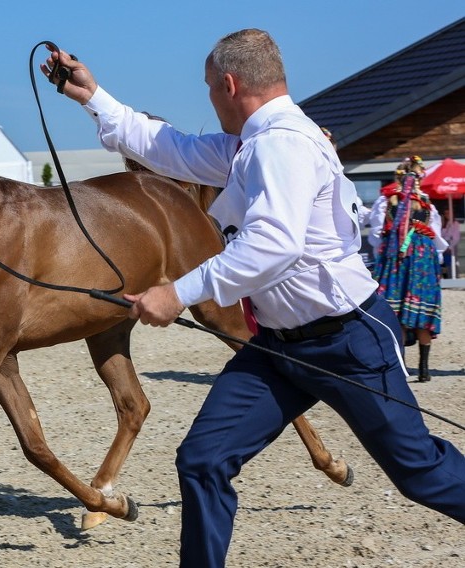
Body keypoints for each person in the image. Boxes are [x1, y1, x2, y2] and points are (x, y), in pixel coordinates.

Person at [45, 29, 465, 567]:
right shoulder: (253, 144)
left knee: (419, 472)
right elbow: (169, 148)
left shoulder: (283, 144)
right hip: (281, 349)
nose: (209, 100)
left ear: (229, 83)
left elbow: (274, 246)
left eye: (208, 89)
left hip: (349, 340)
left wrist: (177, 292)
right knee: (203, 458)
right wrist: (91, 95)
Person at [370, 156, 447, 382]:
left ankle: (401, 367)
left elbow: (376, 237)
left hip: (395, 260)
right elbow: (437, 239)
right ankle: (424, 369)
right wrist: (437, 263)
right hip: (422, 262)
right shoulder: (427, 204)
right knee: (422, 312)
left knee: (396, 315)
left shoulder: (386, 202)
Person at [441, 206, 460, 278]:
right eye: (445, 213)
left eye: (448, 213)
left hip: (452, 244)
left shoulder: (455, 223)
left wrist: (450, 247)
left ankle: (454, 277)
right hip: (444, 244)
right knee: (446, 263)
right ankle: (447, 277)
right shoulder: (444, 224)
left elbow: (456, 237)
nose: (447, 215)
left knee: (453, 261)